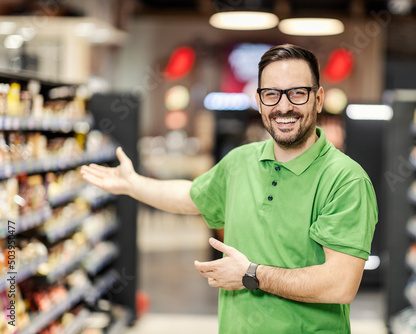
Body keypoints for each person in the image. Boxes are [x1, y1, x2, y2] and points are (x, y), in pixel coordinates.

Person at [81, 43, 378, 333]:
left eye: (297, 93)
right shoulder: (240, 161)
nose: (283, 106)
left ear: (318, 98)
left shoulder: (346, 180)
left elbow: (340, 284)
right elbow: (191, 197)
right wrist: (134, 184)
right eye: (271, 94)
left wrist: (252, 274)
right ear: (259, 101)